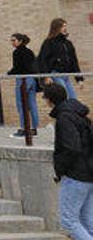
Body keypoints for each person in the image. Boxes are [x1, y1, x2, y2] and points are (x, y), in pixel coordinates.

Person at [43, 83, 93, 240]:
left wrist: (60, 169)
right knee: (87, 221)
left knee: (68, 221)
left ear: (50, 100)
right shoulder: (78, 114)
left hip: (75, 175)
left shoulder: (64, 118)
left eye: (45, 98)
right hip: (88, 173)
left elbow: (71, 148)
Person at [39, 18, 83, 100]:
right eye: (62, 26)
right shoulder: (48, 42)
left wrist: (79, 79)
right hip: (55, 74)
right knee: (63, 98)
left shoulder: (68, 43)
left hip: (66, 75)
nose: (65, 28)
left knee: (73, 99)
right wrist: (45, 76)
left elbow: (74, 61)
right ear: (56, 28)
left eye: (65, 26)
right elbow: (42, 60)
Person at [9, 33, 39, 139]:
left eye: (14, 40)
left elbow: (17, 68)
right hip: (32, 80)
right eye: (11, 40)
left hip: (23, 80)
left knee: (21, 105)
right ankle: (34, 129)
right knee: (32, 104)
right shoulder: (30, 52)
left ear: (20, 41)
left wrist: (9, 73)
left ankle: (24, 129)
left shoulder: (17, 52)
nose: (12, 42)